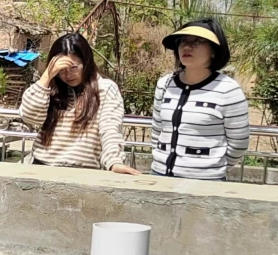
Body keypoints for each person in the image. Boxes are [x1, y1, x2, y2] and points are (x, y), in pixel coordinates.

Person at [19, 33, 139, 174]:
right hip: (42, 167)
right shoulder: (49, 88)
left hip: (83, 172)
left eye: (73, 67)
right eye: (61, 70)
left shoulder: (105, 89)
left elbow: (110, 128)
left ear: (86, 61)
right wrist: (47, 76)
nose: (67, 75)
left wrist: (114, 162)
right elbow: (29, 117)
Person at [150, 19, 249, 179]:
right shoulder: (165, 84)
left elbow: (239, 144)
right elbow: (157, 131)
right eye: (182, 41)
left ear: (214, 51)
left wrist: (213, 168)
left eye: (197, 41)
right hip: (159, 176)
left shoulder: (228, 90)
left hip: (205, 182)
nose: (187, 47)